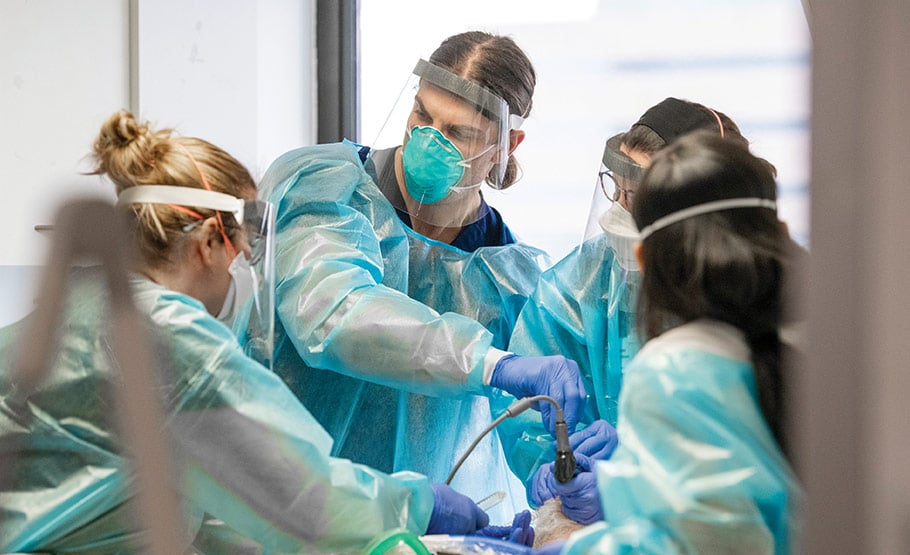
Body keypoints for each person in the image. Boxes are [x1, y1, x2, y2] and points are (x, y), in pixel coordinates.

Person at [0, 110, 496, 554]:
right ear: (209, 242)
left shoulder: (68, 313)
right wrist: (418, 506)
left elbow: (166, 495)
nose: (249, 267)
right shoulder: (167, 338)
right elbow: (296, 493)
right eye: (245, 247)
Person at [258, 31, 585, 523]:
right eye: (422, 115)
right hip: (284, 508)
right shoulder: (329, 190)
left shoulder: (507, 278)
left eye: (457, 132)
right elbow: (333, 313)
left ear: (507, 143)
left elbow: (528, 424)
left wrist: (561, 471)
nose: (428, 139)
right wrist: (491, 363)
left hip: (417, 529)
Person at [530, 130, 804, 554]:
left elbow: (704, 541)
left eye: (633, 198)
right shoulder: (839, 346)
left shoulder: (674, 370)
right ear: (777, 230)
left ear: (642, 259)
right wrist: (628, 482)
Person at [503, 98, 758, 487]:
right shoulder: (581, 285)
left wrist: (634, 484)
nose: (618, 212)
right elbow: (529, 425)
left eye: (638, 197)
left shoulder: (757, 297)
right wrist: (565, 474)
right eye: (618, 190)